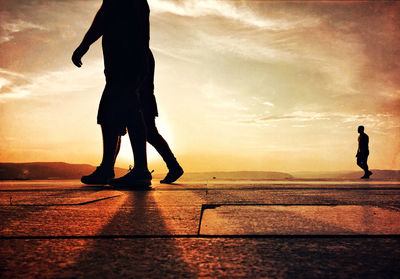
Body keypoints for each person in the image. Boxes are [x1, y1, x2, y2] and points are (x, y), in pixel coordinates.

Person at [72, 0, 152, 187]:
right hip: (124, 62)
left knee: (128, 111)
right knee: (109, 114)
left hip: (126, 61)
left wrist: (84, 45)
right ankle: (109, 168)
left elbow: (104, 16)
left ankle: (139, 169)